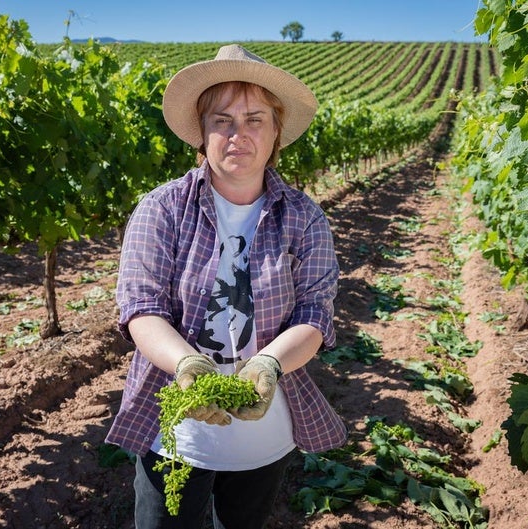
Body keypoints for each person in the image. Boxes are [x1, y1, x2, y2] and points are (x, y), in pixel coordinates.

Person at [105, 44, 347, 529]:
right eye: (223, 120)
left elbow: (315, 316)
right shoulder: (163, 209)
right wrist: (187, 364)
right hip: (173, 435)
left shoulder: (304, 218)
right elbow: (141, 308)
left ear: (276, 132)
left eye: (255, 119)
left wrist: (267, 364)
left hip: (265, 439)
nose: (238, 134)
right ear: (203, 133)